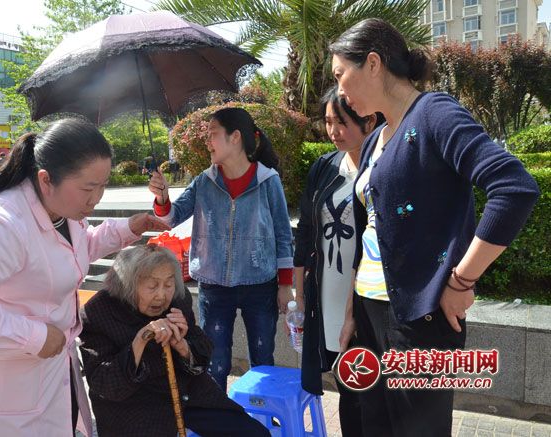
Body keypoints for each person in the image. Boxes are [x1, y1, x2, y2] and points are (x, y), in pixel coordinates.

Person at [328, 18, 540, 436]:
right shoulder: (376, 138)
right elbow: (371, 230)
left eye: (340, 74)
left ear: (373, 63)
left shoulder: (434, 113)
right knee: (373, 426)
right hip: (370, 313)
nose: (339, 90)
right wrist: (352, 313)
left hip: (418, 319)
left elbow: (514, 188)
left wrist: (462, 281)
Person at [0, 118, 168, 437]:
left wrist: (127, 229)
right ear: (45, 179)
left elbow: (73, 252)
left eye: (103, 185)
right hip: (4, 390)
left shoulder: (63, 212)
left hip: (51, 373)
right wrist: (35, 336)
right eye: (88, 188)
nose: (97, 198)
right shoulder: (0, 223)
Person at [149, 107, 294, 390]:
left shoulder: (268, 181)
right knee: (215, 362)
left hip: (259, 283)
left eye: (213, 134)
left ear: (235, 137)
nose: (207, 142)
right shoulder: (205, 181)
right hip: (214, 285)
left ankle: (260, 411)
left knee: (263, 359)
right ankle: (218, 411)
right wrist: (163, 197)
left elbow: (283, 234)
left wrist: (285, 285)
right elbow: (172, 217)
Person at [79, 245, 270, 437]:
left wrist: (183, 346)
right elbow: (105, 384)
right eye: (152, 286)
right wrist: (140, 340)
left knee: (254, 433)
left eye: (168, 285)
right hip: (135, 406)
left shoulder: (178, 298)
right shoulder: (98, 312)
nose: (161, 295)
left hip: (188, 394)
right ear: (127, 285)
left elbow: (202, 350)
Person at [294, 85, 384, 436]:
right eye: (329, 122)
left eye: (342, 122)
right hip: (328, 292)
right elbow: (305, 231)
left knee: (373, 390)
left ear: (369, 121)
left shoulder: (382, 169)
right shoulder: (324, 167)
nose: (333, 131)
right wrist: (300, 294)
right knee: (347, 385)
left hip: (368, 296)